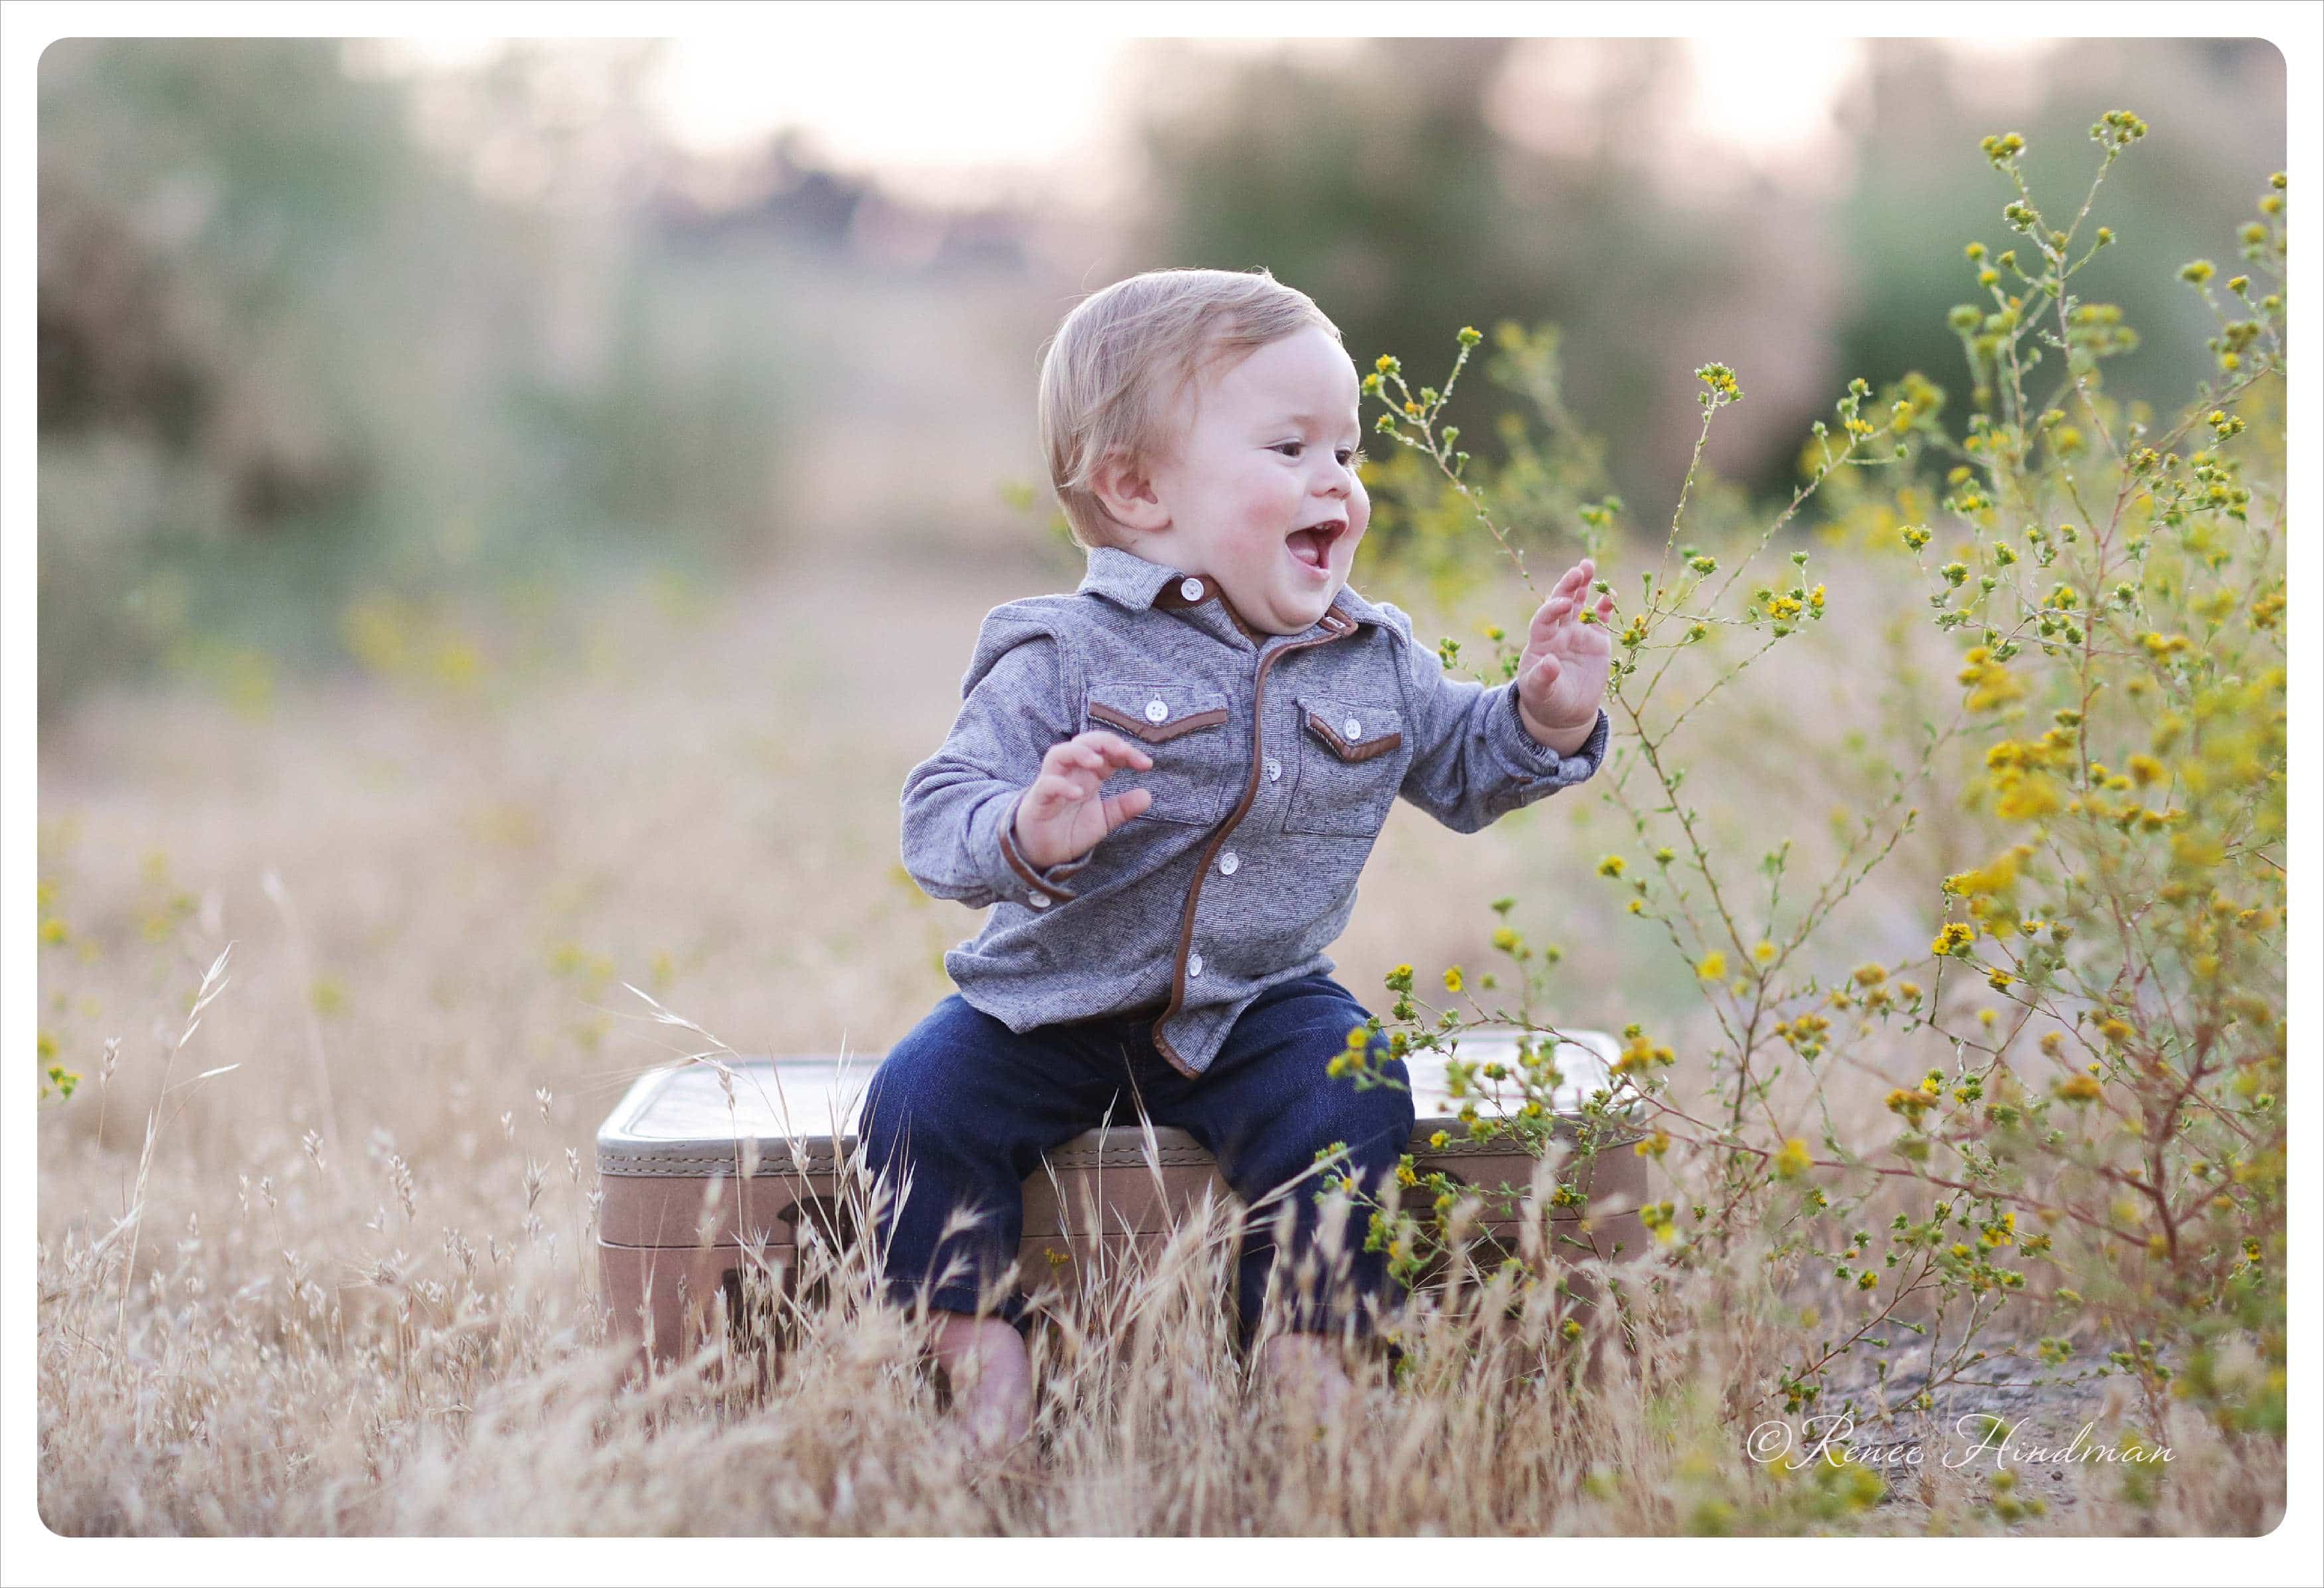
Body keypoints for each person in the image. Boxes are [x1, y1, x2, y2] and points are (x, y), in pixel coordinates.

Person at [861, 266, 1616, 1453]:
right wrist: (1026, 827)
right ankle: (974, 1355)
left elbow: (1466, 771)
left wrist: (1542, 718)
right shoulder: (1059, 650)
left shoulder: (1368, 654)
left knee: (1353, 1085)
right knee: (918, 1105)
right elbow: (939, 815)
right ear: (1137, 488)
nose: (1339, 484)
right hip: (1049, 1001)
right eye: (1291, 449)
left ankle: (1309, 1351)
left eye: (1348, 454)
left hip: (1261, 1004)